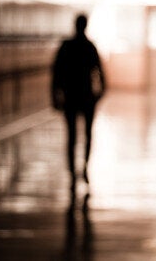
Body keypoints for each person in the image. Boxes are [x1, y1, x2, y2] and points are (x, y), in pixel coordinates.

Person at [51, 14, 105, 191]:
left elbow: (56, 73)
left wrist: (55, 95)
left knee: (72, 136)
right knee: (87, 134)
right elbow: (100, 73)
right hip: (87, 96)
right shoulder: (90, 47)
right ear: (86, 25)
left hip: (71, 96)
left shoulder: (66, 46)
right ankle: (84, 168)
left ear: (75, 25)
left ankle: (73, 174)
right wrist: (99, 93)